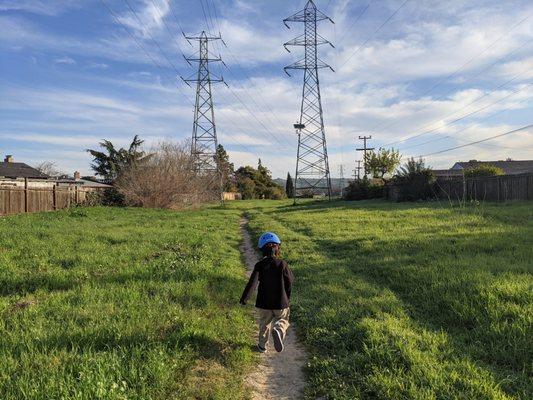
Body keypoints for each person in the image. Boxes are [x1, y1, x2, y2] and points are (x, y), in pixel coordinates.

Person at [239, 232, 294, 353]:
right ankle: (279, 329)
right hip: (281, 302)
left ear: (262, 250)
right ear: (278, 247)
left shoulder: (259, 265)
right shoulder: (283, 264)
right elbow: (290, 281)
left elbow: (252, 284)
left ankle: (262, 346)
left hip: (263, 303)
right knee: (283, 319)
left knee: (264, 324)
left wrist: (244, 299)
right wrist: (287, 297)